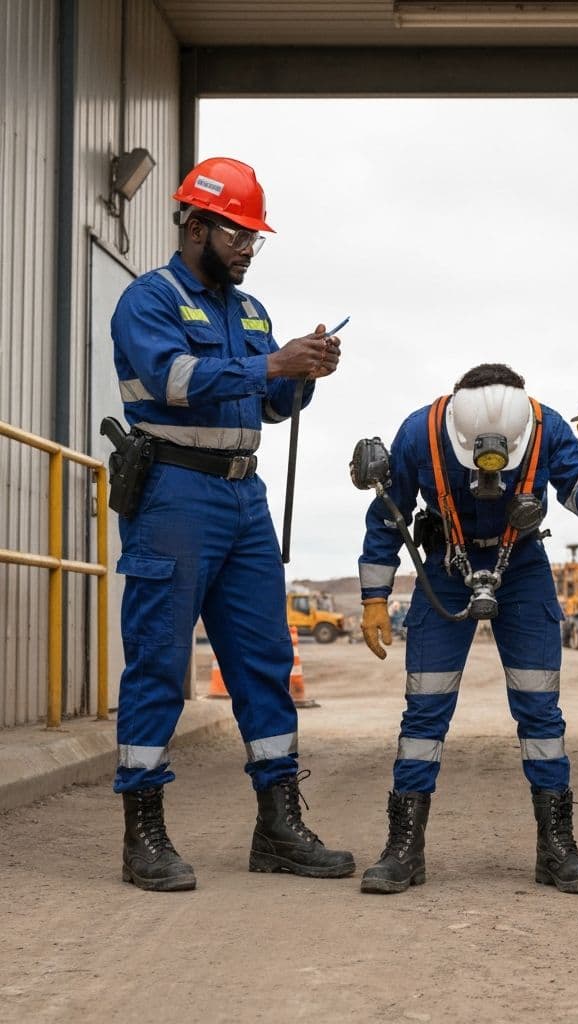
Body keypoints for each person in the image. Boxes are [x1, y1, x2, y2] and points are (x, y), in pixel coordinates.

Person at [109, 156, 353, 892]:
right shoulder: (147, 300)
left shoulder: (250, 313)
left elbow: (267, 406)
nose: (248, 247)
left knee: (264, 662)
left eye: (255, 237)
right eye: (237, 232)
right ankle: (143, 835)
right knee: (158, 660)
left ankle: (277, 825)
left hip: (244, 500)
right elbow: (172, 381)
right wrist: (272, 365)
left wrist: (301, 374)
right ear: (194, 226)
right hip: (176, 494)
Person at [357, 363, 578, 895]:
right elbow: (388, 516)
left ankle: (557, 848)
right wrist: (373, 598)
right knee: (424, 709)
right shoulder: (421, 432)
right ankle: (404, 846)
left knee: (539, 708)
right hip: (445, 568)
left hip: (520, 569)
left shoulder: (545, 427)